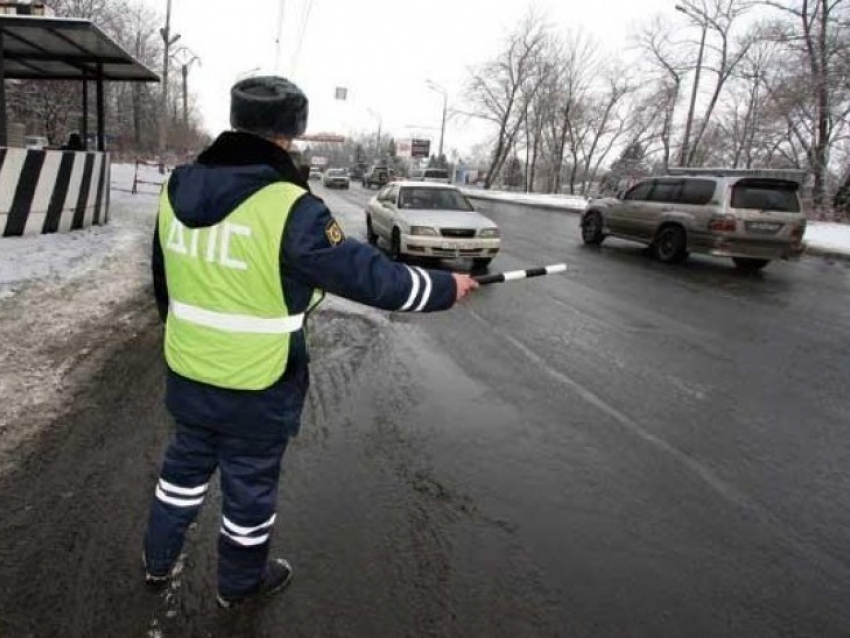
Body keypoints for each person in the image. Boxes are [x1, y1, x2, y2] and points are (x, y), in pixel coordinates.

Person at [142, 75, 478, 609]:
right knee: (248, 493)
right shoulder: (289, 207)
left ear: (235, 121)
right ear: (289, 137)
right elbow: (373, 278)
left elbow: (163, 279)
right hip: (259, 381)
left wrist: (186, 337)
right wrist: (444, 286)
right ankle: (239, 585)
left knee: (181, 474)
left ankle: (157, 562)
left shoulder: (175, 187)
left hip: (188, 370)